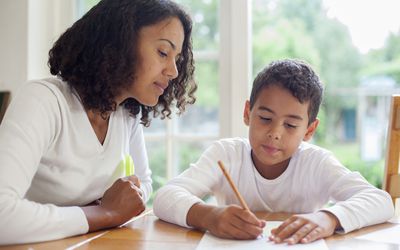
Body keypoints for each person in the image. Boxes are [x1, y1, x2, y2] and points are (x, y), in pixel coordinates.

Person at [0, 0, 196, 245]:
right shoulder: (43, 101)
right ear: (119, 42)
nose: (174, 71)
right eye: (163, 53)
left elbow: (142, 185)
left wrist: (111, 207)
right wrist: (104, 213)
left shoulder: (126, 114)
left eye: (176, 59)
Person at [153, 59, 394, 245]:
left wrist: (328, 218)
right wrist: (208, 216)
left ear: (309, 130)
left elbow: (380, 201)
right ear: (248, 113)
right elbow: (165, 197)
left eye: (290, 125)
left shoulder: (317, 163)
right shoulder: (225, 155)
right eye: (266, 118)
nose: (275, 133)